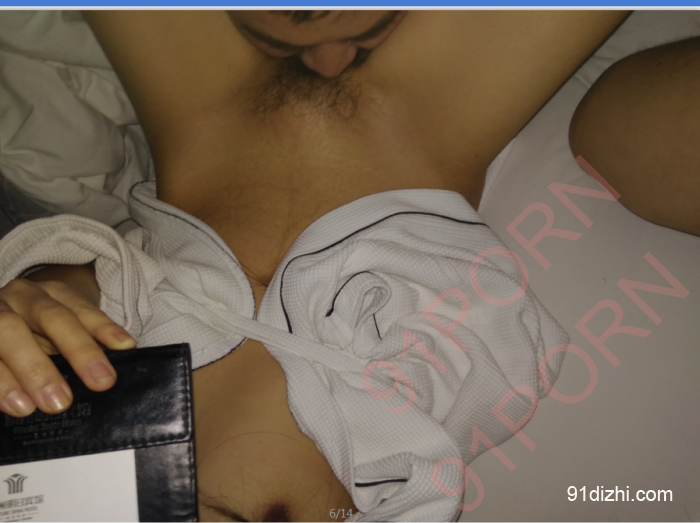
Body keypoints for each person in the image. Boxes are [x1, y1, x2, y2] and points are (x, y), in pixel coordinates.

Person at [0, 10, 660, 521]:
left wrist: (50, 290)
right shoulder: (398, 460)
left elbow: (84, 292)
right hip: (424, 124)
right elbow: (501, 356)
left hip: (202, 116)